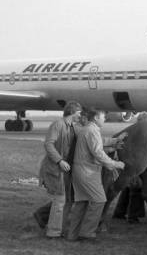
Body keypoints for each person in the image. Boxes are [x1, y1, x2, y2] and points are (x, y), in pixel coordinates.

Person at [67, 108, 125, 241]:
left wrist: (115, 140)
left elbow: (99, 141)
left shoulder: (89, 129)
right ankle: (87, 233)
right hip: (87, 172)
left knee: (82, 203)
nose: (105, 119)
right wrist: (116, 164)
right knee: (99, 200)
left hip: (82, 170)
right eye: (103, 117)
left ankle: (72, 235)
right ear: (96, 118)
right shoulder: (92, 130)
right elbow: (98, 152)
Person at [34, 101, 82, 238]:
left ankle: (46, 220)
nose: (80, 116)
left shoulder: (74, 127)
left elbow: (89, 138)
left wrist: (113, 142)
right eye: (79, 113)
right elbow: (49, 145)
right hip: (54, 169)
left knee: (65, 200)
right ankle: (53, 233)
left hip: (64, 170)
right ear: (72, 112)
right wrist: (60, 161)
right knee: (60, 200)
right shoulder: (58, 125)